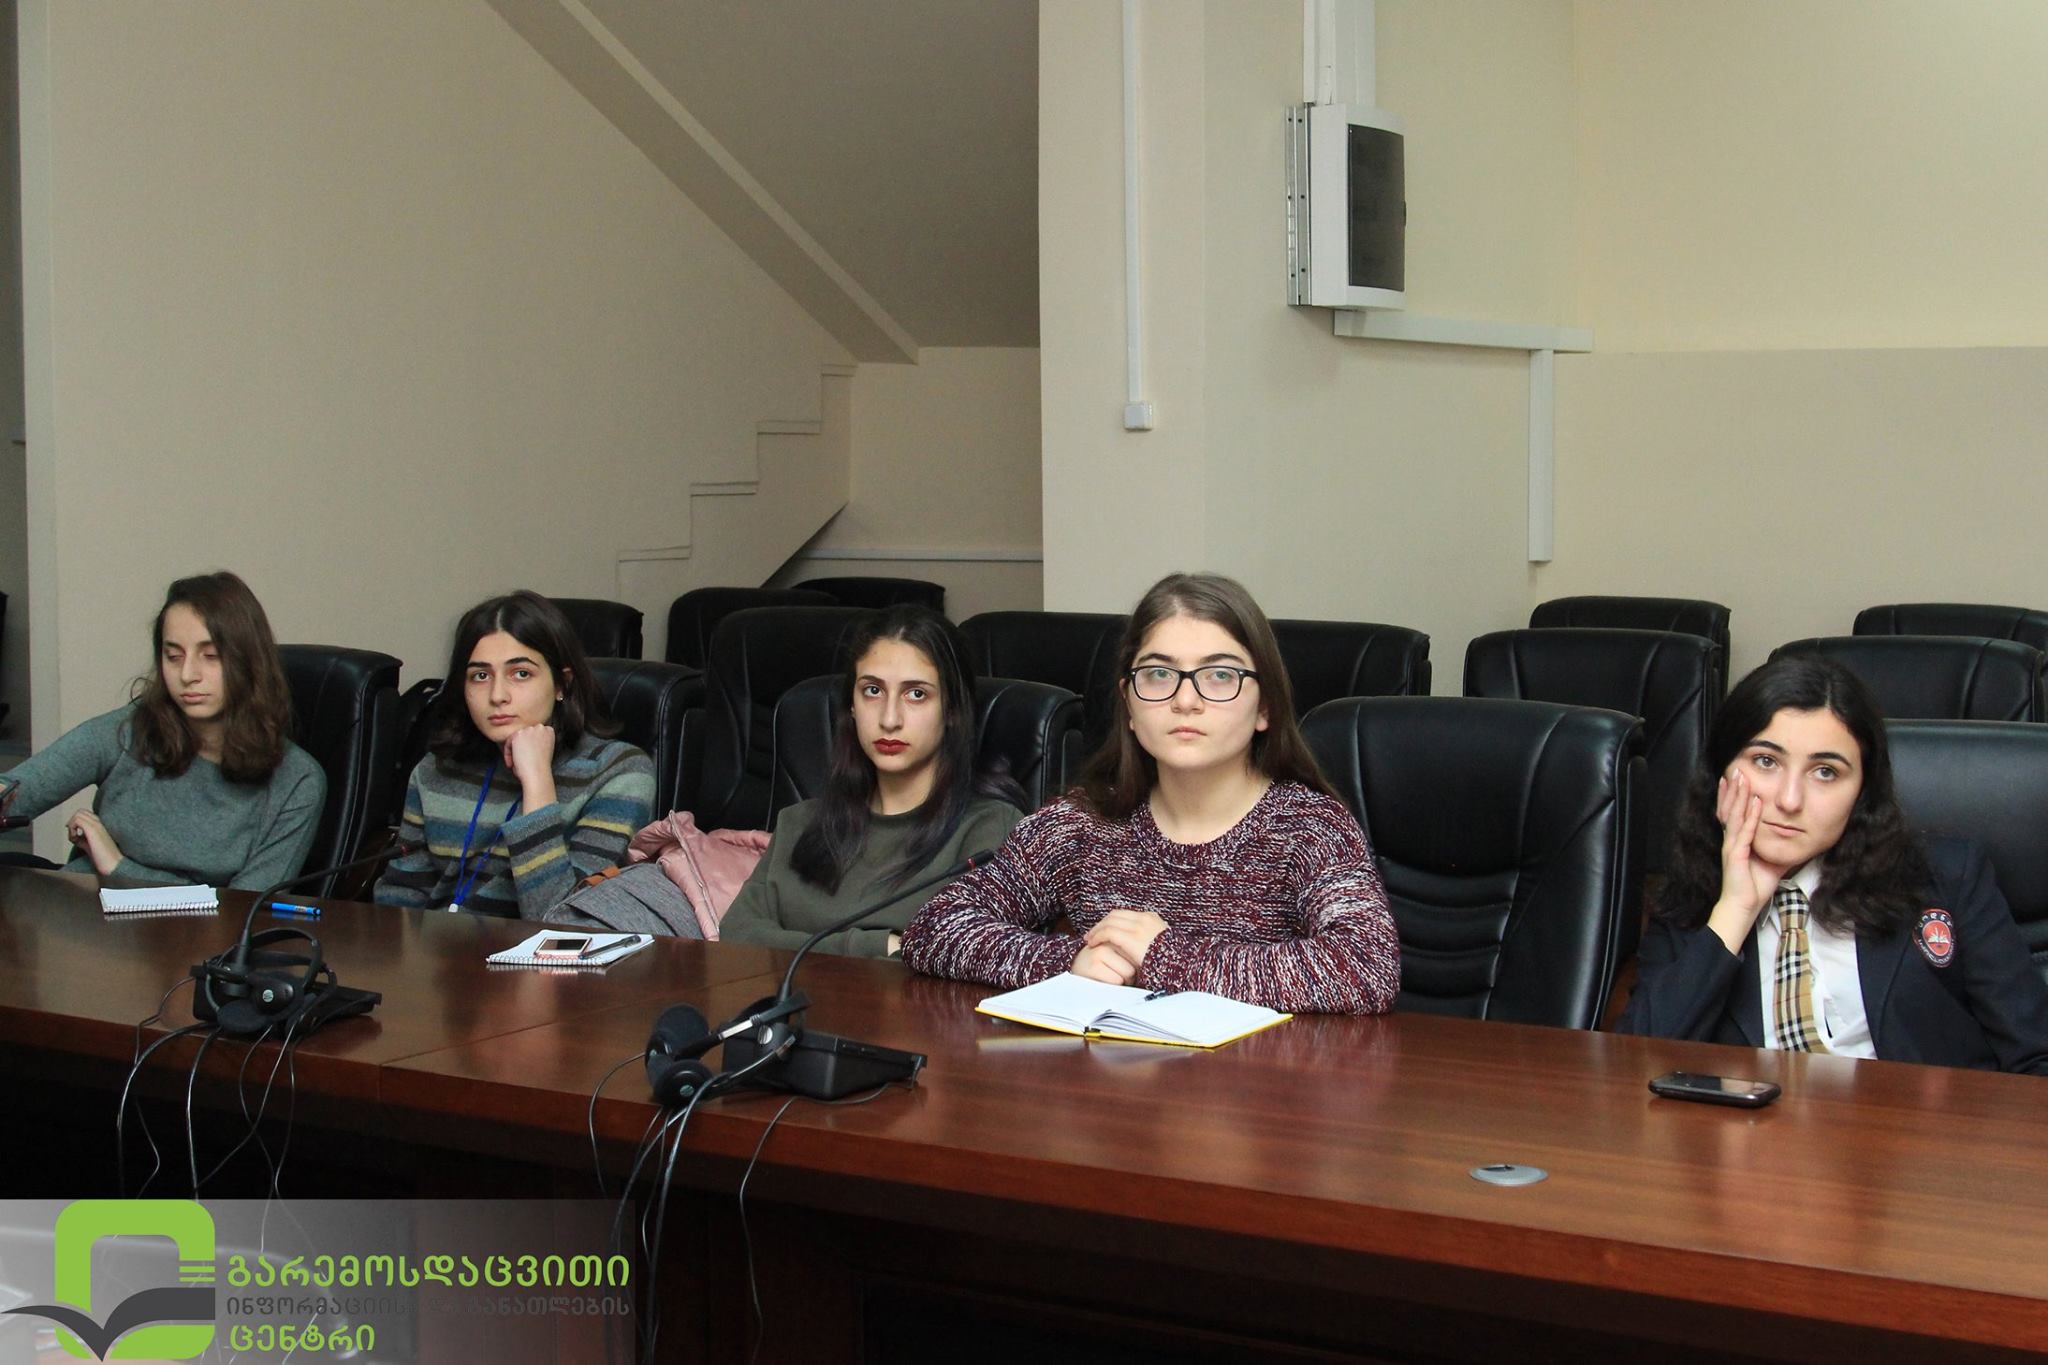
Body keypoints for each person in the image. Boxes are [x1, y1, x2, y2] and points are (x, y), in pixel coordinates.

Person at [901, 572, 1400, 1014]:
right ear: (1130, 706)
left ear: (1264, 707)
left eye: (1220, 675)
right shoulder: (1082, 823)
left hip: (1257, 1086)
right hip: (1113, 1083)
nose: (1185, 700)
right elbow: (934, 926)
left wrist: (1163, 955)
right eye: (1159, 674)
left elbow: (1367, 966)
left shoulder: (1308, 827)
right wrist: (1068, 962)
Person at [1616, 655, 2048, 1073]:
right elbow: (1634, 1069)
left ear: (1862, 791)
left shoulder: (1949, 876)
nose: (1789, 800)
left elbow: (2036, 1057)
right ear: (1721, 772)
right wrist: (1736, 910)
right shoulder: (1692, 893)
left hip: (1919, 1122)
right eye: (1766, 761)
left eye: (1825, 772)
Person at [719, 607, 1025, 957]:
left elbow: (975, 956)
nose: (889, 719)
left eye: (916, 694)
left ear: (953, 710)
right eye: (873, 690)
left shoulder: (991, 830)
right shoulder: (798, 823)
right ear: (851, 705)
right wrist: (878, 945)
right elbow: (736, 935)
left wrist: (794, 945)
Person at [0, 572, 325, 888]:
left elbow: (245, 909)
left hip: (189, 926)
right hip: (81, 910)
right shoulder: (128, 731)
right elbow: (22, 789)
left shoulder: (297, 781)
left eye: (210, 656)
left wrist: (117, 867)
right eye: (173, 656)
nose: (187, 674)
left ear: (249, 662)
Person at [375, 591, 654, 919]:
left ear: (562, 684)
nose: (497, 696)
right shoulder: (436, 770)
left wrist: (537, 781)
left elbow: (561, 923)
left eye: (521, 673)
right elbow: (399, 901)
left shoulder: (618, 773)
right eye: (480, 676)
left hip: (542, 952)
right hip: (436, 949)